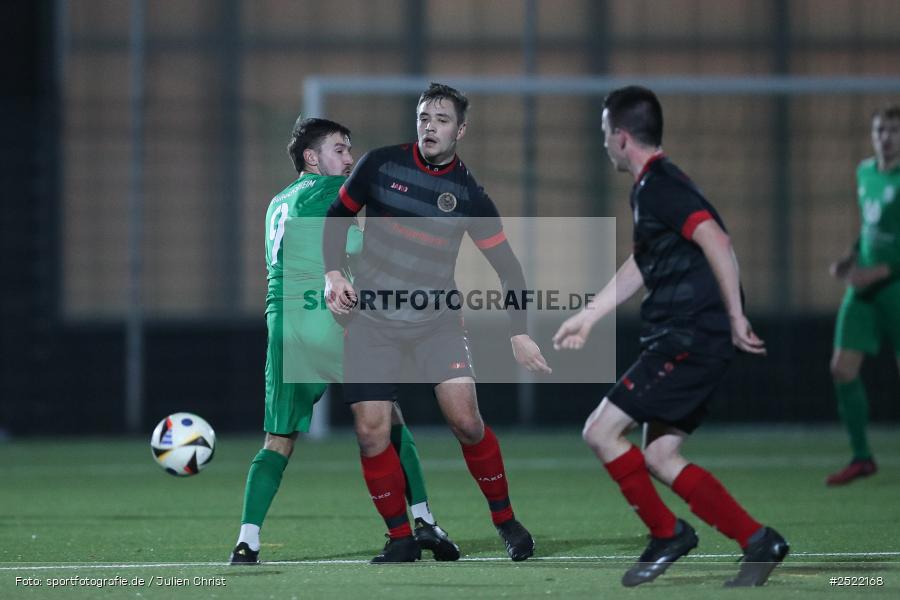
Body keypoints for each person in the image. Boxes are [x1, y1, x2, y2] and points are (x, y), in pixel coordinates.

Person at [553, 86, 789, 587]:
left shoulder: (659, 183)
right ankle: (758, 541)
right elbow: (644, 262)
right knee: (659, 456)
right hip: (687, 336)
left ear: (620, 138)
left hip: (687, 338)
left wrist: (735, 315)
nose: (602, 145)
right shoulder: (652, 188)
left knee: (599, 431)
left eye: (603, 135)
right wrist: (589, 315)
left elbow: (717, 240)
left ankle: (667, 534)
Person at [322, 83, 552, 563]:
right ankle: (401, 538)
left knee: (466, 422)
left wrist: (519, 331)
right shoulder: (380, 164)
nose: (430, 125)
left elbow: (509, 269)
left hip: (436, 322)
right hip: (373, 320)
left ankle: (506, 522)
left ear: (460, 130)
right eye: (424, 116)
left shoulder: (468, 195)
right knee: (370, 431)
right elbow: (336, 217)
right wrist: (330, 275)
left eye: (442, 119)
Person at [230, 117, 459, 564]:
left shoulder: (278, 201)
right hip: (329, 318)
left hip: (283, 328)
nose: (350, 158)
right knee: (388, 421)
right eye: (340, 149)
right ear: (312, 158)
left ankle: (246, 541)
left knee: (276, 440)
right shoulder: (324, 192)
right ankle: (422, 521)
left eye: (350, 149)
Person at [827, 105, 900, 486]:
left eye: (892, 131)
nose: (885, 138)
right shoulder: (865, 172)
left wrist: (880, 271)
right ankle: (861, 457)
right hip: (865, 289)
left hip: (895, 288)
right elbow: (870, 228)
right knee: (841, 369)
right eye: (879, 130)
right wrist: (852, 257)